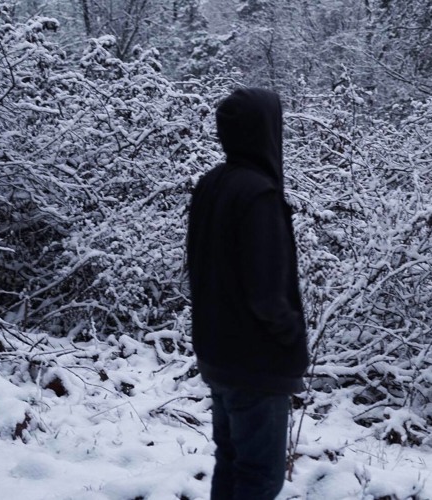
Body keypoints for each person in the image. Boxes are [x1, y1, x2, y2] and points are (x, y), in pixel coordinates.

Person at [187, 87, 309, 500]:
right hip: (256, 363)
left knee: (231, 461)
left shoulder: (210, 185)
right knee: (261, 477)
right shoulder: (259, 195)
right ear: (265, 131)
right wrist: (292, 337)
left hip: (217, 355)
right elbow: (267, 292)